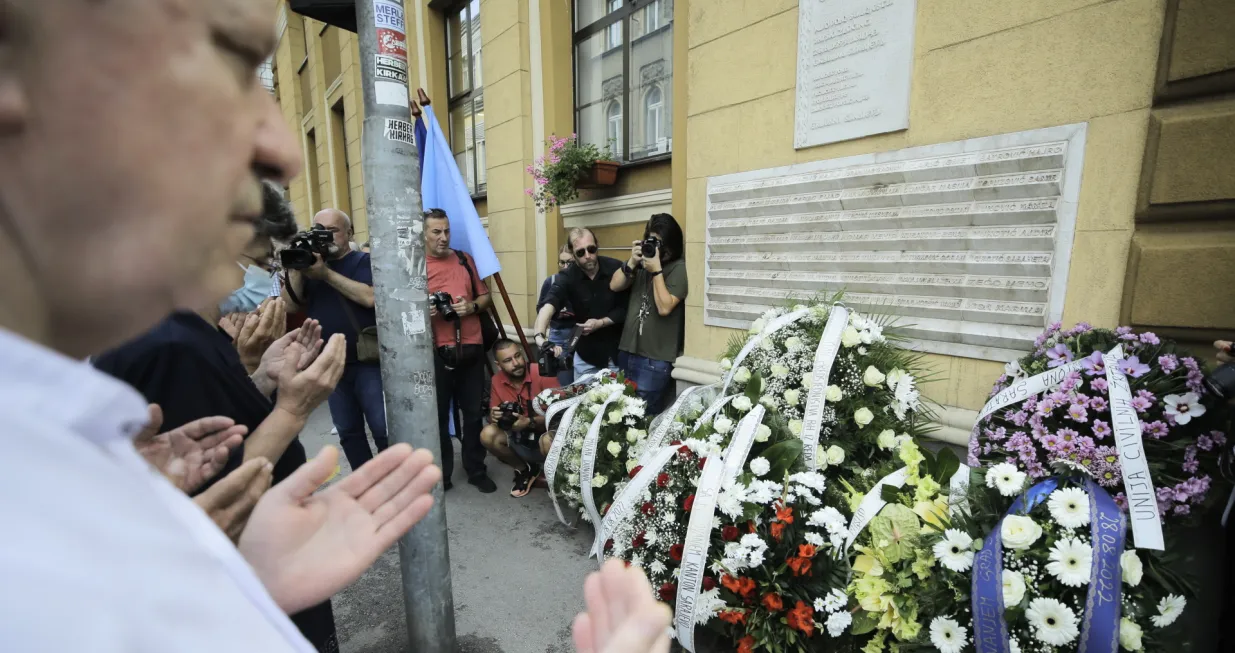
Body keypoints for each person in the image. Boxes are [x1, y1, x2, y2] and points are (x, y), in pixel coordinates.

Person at [0, 0, 443, 649]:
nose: (279, 148)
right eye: (226, 71)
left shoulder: (47, 420)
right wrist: (289, 410)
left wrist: (205, 567)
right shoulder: (149, 342)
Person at [93, 185, 347, 649]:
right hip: (250, 572)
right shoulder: (167, 342)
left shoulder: (182, 328)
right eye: (259, 258)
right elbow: (214, 486)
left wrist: (260, 373)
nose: (267, 273)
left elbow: (212, 422)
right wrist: (294, 409)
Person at [283, 208, 389, 472]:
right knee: (348, 430)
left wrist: (325, 275)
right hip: (330, 362)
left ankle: (394, 479)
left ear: (349, 233)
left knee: (382, 428)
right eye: (318, 230)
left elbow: (370, 297)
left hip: (367, 361)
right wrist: (298, 267)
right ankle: (365, 483)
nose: (324, 237)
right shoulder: (311, 267)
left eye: (332, 231)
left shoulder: (364, 262)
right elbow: (289, 306)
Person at [423, 208, 497, 493]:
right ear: (424, 234)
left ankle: (476, 469)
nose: (443, 238)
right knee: (439, 417)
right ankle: (443, 474)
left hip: (471, 347)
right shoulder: (417, 267)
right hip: (436, 352)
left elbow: (485, 296)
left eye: (447, 231)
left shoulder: (465, 260)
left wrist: (472, 307)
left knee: (473, 414)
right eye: (436, 232)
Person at [609, 214, 688, 413]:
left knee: (643, 419)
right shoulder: (642, 263)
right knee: (622, 416)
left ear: (670, 244)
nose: (653, 247)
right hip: (628, 351)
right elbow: (614, 285)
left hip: (654, 360)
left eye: (658, 243)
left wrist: (656, 271)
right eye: (650, 241)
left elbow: (664, 307)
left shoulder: (678, 268)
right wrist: (631, 263)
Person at [534, 228, 628, 380]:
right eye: (580, 252)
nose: (588, 256)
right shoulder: (568, 276)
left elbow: (626, 308)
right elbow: (549, 303)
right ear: (573, 253)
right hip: (586, 358)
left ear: (597, 246)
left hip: (616, 355)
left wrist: (601, 323)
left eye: (591, 249)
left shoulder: (615, 268)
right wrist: (539, 336)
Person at [479, 338, 559, 497]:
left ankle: (559, 478)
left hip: (548, 437)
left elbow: (560, 416)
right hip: (521, 437)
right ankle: (526, 470)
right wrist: (494, 416)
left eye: (517, 356)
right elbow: (493, 417)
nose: (516, 363)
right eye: (508, 360)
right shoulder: (497, 380)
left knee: (548, 440)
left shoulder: (542, 371)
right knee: (488, 434)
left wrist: (529, 422)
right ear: (498, 364)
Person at [537, 244, 579, 385]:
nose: (565, 266)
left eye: (570, 263)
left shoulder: (582, 282)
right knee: (564, 379)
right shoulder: (551, 281)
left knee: (581, 377)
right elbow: (541, 308)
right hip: (558, 335)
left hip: (578, 333)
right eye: (562, 262)